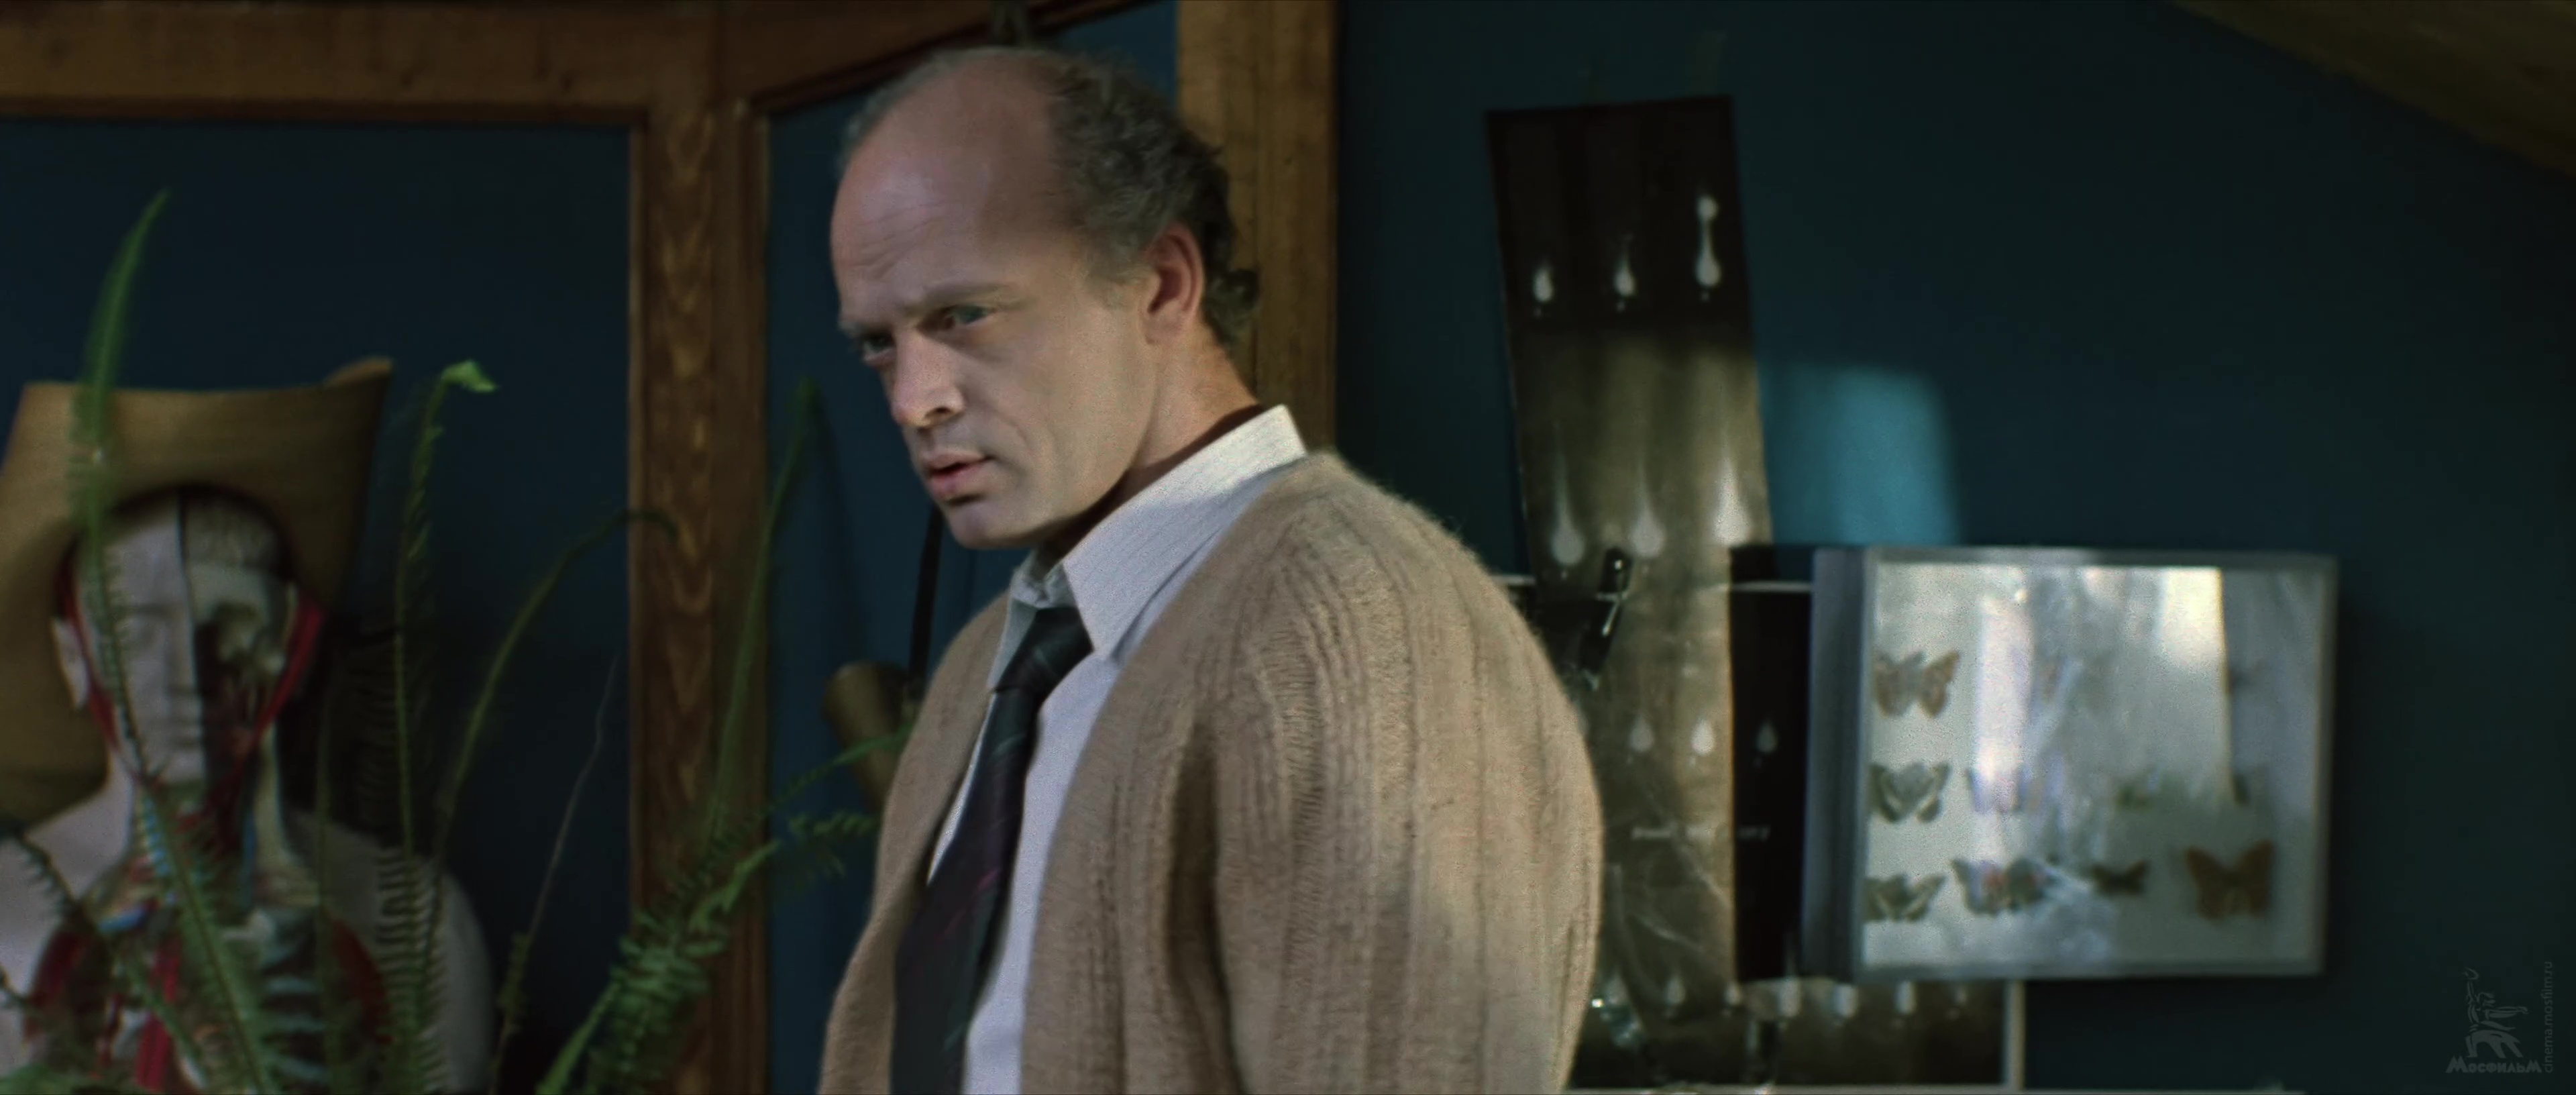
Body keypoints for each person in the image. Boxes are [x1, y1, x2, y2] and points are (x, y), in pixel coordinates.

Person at [818, 46, 1603, 1095]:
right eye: (879, 342)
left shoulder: (1362, 624)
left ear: (1163, 285)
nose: (915, 398)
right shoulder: (988, 667)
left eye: (965, 315)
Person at [0, 364, 490, 1091]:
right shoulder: (5, 911)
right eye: (138, 634)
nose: (186, 674)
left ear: (293, 645)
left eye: (230, 627)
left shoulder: (419, 923)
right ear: (76, 658)